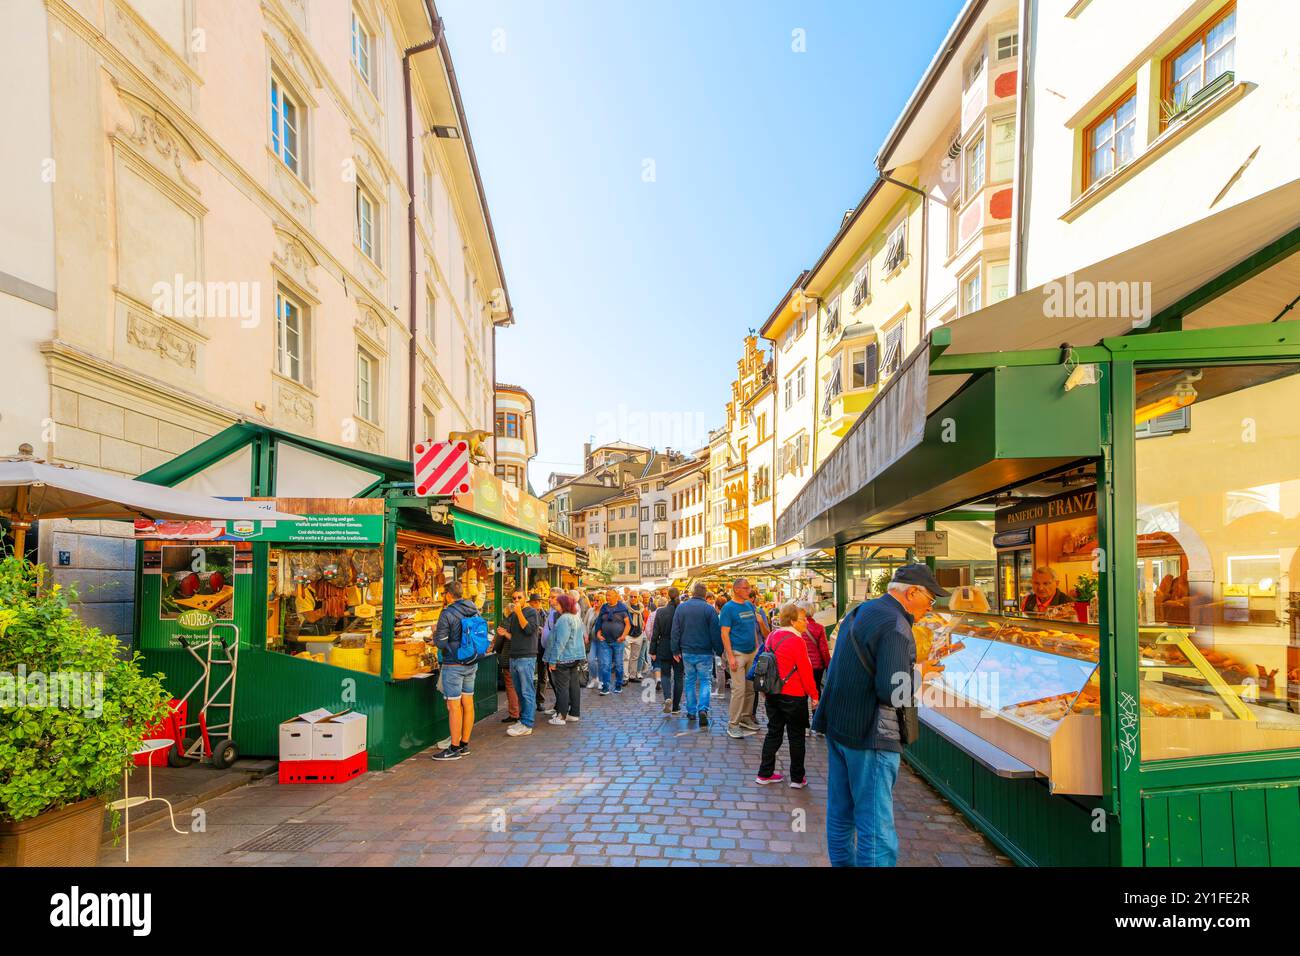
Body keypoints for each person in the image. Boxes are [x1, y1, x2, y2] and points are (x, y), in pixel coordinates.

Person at [813, 564, 947, 867]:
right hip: (871, 734)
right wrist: (920, 673)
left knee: (840, 814)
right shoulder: (897, 625)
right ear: (912, 592)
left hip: (840, 725)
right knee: (875, 826)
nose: (930, 606)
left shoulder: (861, 612)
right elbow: (892, 692)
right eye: (930, 599)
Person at [755, 603, 819, 787]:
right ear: (792, 621)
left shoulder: (772, 637)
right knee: (796, 737)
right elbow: (806, 671)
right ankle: (797, 778)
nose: (806, 622)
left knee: (773, 732)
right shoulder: (797, 641)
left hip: (773, 693)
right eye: (802, 619)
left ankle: (764, 773)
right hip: (794, 695)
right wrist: (814, 695)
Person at [430, 581, 483, 761]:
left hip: (453, 664)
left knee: (453, 706)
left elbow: (441, 642)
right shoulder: (473, 609)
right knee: (467, 703)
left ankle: (453, 748)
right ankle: (464, 744)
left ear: (448, 595)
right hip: (471, 661)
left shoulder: (447, 613)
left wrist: (434, 633)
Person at [670, 582, 723, 727]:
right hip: (705, 651)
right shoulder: (709, 610)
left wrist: (675, 649)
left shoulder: (681, 608)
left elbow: (675, 630)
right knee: (706, 681)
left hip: (687, 650)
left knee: (690, 681)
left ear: (693, 593)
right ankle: (703, 709)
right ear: (705, 594)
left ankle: (691, 711)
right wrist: (719, 650)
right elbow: (715, 632)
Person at [719, 578, 765, 739]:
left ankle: (746, 717)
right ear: (736, 589)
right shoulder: (728, 608)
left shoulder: (749, 605)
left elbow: (753, 627)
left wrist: (757, 648)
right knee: (739, 690)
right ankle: (733, 724)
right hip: (737, 653)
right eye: (746, 588)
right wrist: (730, 656)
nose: (749, 590)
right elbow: (724, 634)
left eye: (749, 587)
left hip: (751, 651)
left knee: (751, 688)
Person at [501, 592, 543, 737]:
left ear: (525, 598)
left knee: (527, 691)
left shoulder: (531, 612)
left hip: (526, 656)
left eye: (519, 597)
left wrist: (519, 612)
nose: (516, 600)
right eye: (513, 598)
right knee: (519, 691)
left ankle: (528, 723)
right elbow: (514, 636)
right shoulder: (513, 615)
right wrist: (504, 633)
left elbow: (529, 630)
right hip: (514, 655)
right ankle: (523, 719)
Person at [544, 592, 586, 725]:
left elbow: (560, 642)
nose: (555, 606)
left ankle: (561, 716)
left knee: (562, 687)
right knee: (574, 686)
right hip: (575, 657)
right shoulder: (575, 617)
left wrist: (552, 660)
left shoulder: (563, 619)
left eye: (558, 603)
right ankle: (574, 713)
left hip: (564, 657)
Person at [798, 600, 831, 734]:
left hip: (802, 665)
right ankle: (817, 725)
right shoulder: (819, 628)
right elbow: (824, 650)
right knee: (816, 693)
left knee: (802, 695)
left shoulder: (797, 627)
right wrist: (829, 665)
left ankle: (804, 726)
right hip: (817, 666)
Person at [649, 588, 683, 713]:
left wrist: (652, 650)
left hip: (663, 645)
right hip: (679, 647)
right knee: (679, 677)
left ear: (668, 596)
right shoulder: (681, 610)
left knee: (665, 675)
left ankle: (667, 697)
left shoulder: (661, 612)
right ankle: (676, 706)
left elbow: (655, 633)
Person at [493, 593, 524, 725]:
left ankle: (514, 713)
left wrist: (495, 649)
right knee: (521, 686)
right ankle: (522, 711)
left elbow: (499, 641)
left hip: (508, 657)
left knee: (511, 686)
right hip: (521, 656)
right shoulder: (521, 619)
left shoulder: (506, 621)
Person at [593, 588, 630, 695]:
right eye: (607, 595)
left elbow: (628, 624)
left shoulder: (622, 608)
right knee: (605, 664)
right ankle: (605, 687)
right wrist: (598, 633)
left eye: (609, 595)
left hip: (618, 641)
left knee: (618, 665)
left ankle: (618, 685)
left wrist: (623, 636)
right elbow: (599, 621)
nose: (607, 597)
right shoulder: (604, 607)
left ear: (616, 596)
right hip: (604, 641)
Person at [625, 593, 646, 683]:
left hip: (638, 634)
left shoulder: (641, 608)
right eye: (631, 596)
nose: (633, 598)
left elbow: (643, 619)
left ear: (638, 597)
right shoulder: (625, 607)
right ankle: (625, 677)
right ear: (629, 597)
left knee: (635, 657)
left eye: (635, 596)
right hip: (628, 634)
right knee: (626, 657)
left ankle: (632, 676)